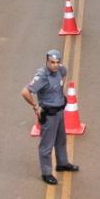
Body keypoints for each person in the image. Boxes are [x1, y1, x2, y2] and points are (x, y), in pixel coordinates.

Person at [21, 49, 80, 184]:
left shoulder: (61, 70)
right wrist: (36, 107)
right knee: (46, 145)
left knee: (61, 140)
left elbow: (63, 77)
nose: (55, 65)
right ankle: (46, 173)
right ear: (47, 61)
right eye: (52, 62)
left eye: (57, 62)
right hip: (49, 114)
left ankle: (62, 163)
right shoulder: (41, 76)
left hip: (60, 112)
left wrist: (60, 93)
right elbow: (25, 92)